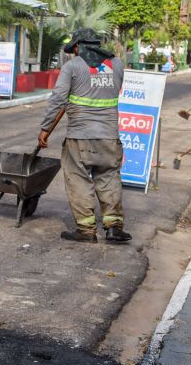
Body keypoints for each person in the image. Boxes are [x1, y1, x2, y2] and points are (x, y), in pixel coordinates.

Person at [38, 28, 131, 243]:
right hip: (110, 136)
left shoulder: (72, 66)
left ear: (78, 46)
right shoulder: (116, 64)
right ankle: (114, 227)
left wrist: (45, 129)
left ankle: (86, 230)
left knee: (78, 179)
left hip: (80, 136)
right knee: (109, 177)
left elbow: (58, 100)